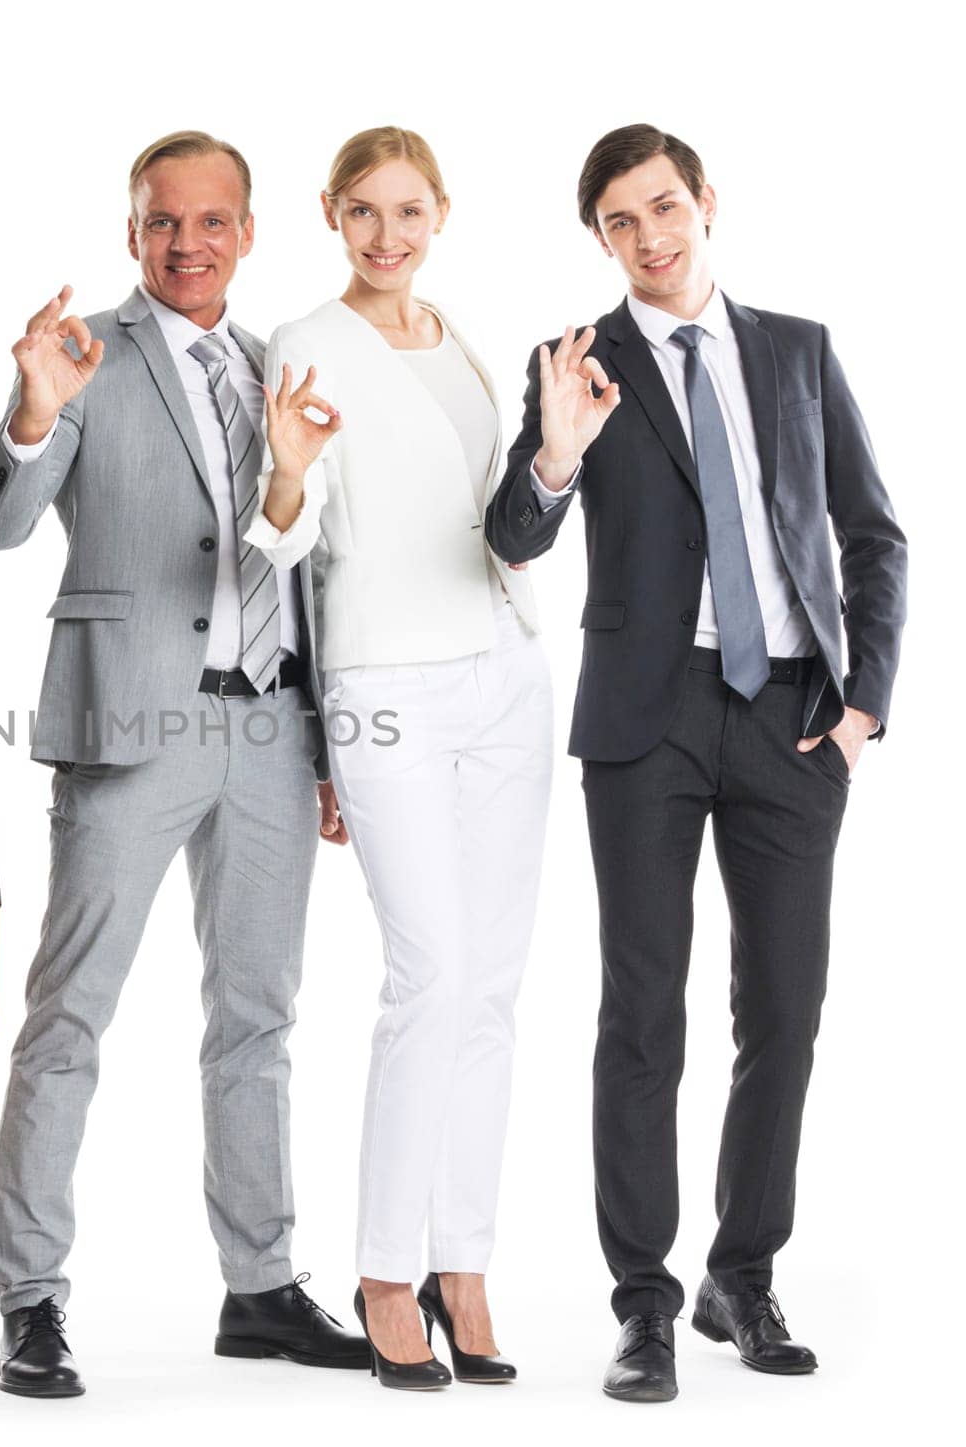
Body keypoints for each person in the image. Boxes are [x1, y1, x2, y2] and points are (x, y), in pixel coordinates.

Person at [485, 123, 907, 1403]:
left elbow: (873, 533)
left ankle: (744, 1270)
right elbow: (511, 531)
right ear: (599, 240)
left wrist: (861, 707)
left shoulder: (795, 351)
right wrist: (556, 448)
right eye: (621, 223)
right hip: (646, 717)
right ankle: (644, 1302)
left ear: (704, 202)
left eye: (664, 207)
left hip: (790, 719)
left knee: (783, 1009)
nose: (650, 237)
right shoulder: (575, 362)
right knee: (643, 1012)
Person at [0, 129, 368, 1398]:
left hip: (269, 729)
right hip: (130, 720)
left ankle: (259, 1286)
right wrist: (34, 406)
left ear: (248, 233)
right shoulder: (82, 351)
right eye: (160, 223)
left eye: (209, 223)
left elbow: (301, 559)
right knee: (70, 1016)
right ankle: (30, 1298)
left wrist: (325, 748)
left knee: (258, 1018)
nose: (185, 245)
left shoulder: (273, 366)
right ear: (129, 232)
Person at [254, 126, 549, 1391]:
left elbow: (502, 520)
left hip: (504, 672)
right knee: (427, 972)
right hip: (385, 683)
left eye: (410, 211)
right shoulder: (307, 343)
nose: (389, 235)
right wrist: (281, 476)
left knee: (489, 985)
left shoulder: (461, 336)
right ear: (331, 213)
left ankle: (462, 1259)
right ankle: (384, 1266)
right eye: (365, 212)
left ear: (443, 213)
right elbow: (288, 547)